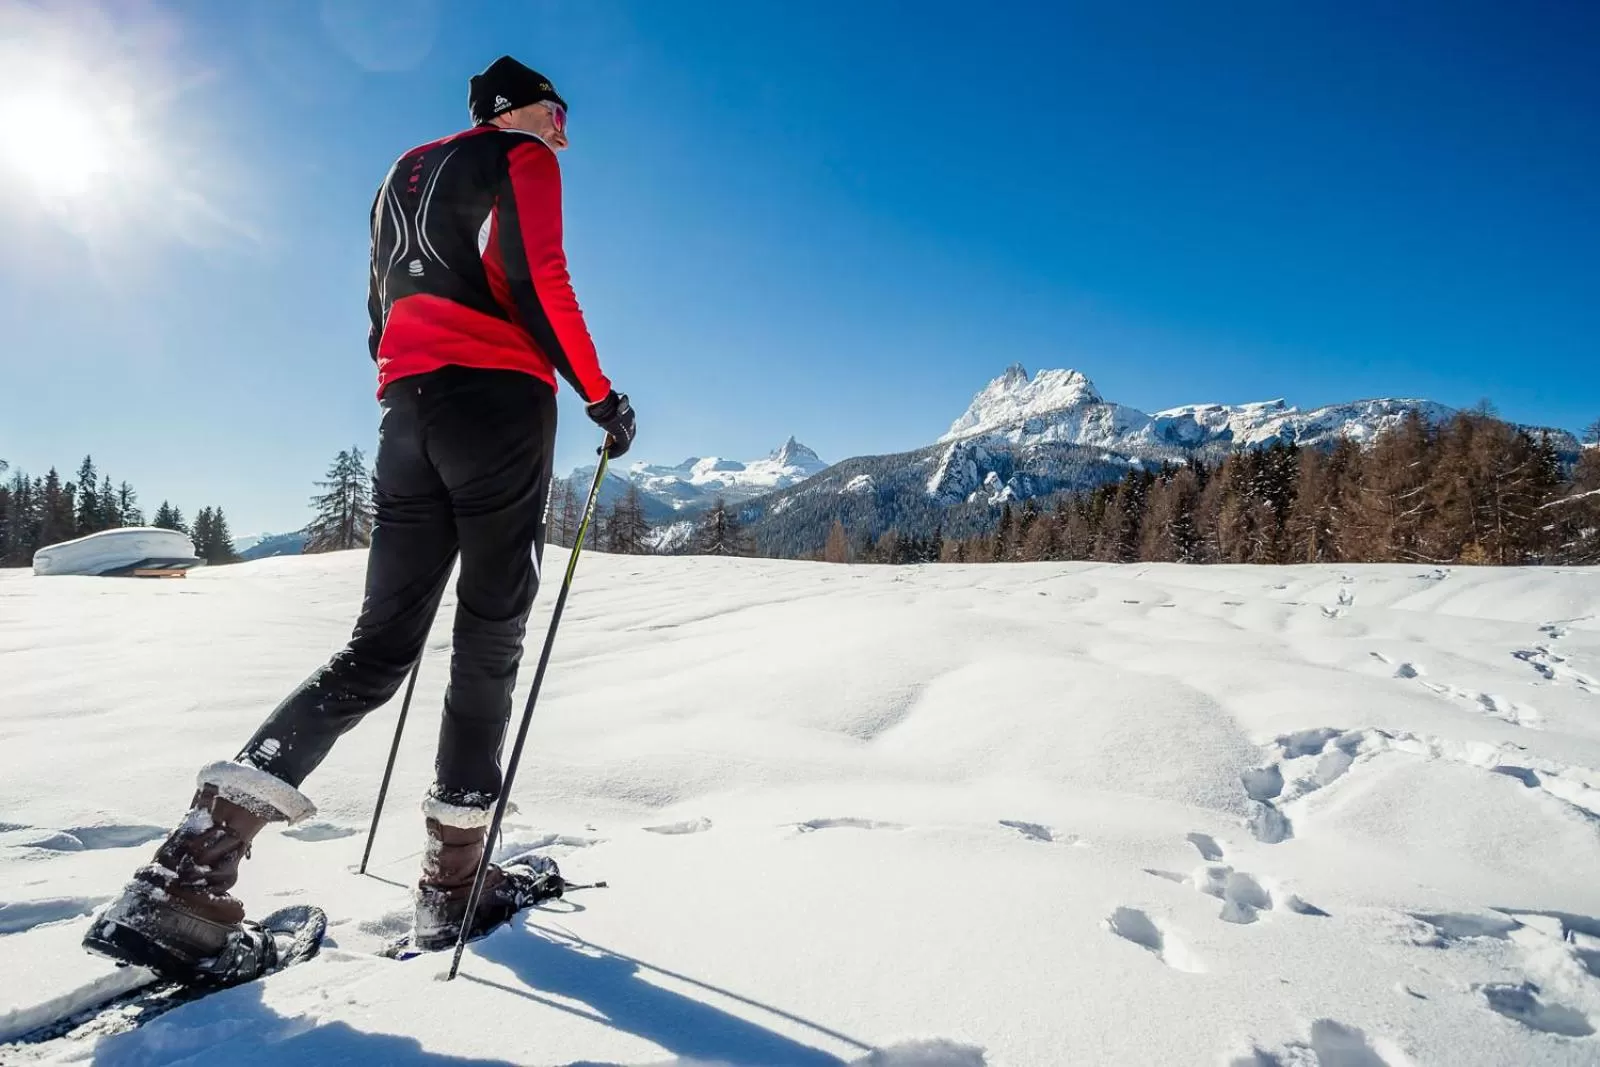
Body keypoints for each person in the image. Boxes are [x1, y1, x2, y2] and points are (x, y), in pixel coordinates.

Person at [84, 56, 636, 982]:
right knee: (490, 631)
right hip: (497, 404)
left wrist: (413, 386)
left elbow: (380, 312)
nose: (566, 130)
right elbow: (543, 277)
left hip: (405, 412)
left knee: (376, 648)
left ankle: (185, 873)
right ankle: (453, 884)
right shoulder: (522, 159)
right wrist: (600, 393)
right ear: (513, 111)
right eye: (557, 111)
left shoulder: (400, 173)